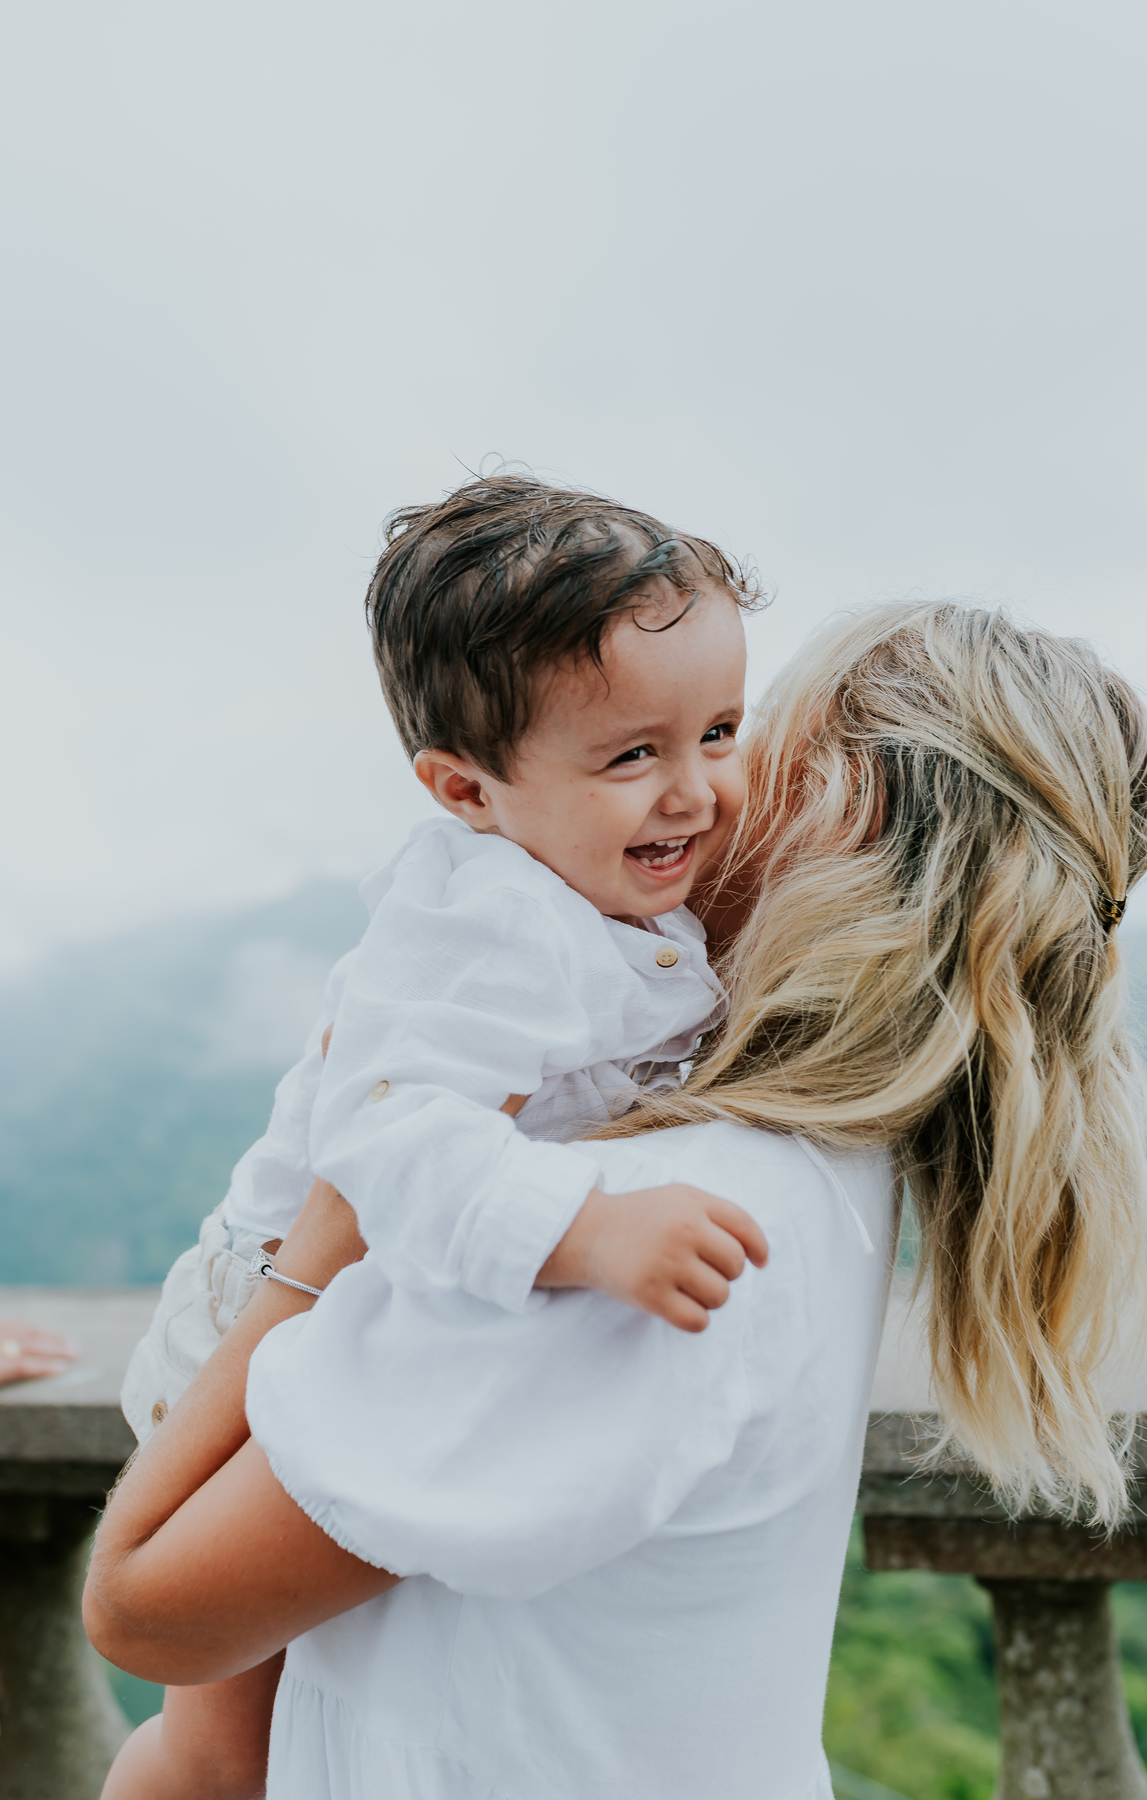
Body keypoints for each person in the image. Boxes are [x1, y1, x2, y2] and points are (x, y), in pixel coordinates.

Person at [86, 603, 1147, 1800]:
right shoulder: (833, 1159)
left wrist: (328, 1231)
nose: (702, 790)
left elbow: (145, 1612)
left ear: (835, 807)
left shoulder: (635, 1236)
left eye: (733, 738)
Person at [107, 475, 768, 1799]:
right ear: (465, 789)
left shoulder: (597, 877)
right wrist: (584, 1227)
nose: (695, 791)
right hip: (259, 1320)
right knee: (220, 1748)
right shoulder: (496, 929)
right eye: (634, 755)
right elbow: (391, 1136)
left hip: (362, 1299)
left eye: (720, 730)